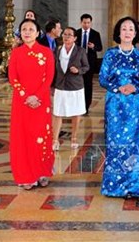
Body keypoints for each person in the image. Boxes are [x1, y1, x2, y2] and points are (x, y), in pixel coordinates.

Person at [99, 16, 139, 199]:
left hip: (135, 106)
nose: (127, 32)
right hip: (115, 104)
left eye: (131, 29)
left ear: (136, 34)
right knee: (115, 145)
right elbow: (102, 78)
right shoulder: (110, 54)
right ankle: (114, 186)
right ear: (118, 33)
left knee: (135, 145)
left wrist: (135, 87)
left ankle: (133, 186)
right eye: (124, 29)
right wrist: (118, 88)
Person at [7, 18, 55, 190]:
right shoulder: (16, 53)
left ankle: (42, 172)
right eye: (24, 29)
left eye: (31, 29)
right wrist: (26, 96)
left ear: (38, 33)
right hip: (21, 103)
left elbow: (49, 78)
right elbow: (12, 77)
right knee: (23, 138)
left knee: (41, 136)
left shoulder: (46, 52)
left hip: (41, 102)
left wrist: (37, 96)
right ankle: (26, 176)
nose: (27, 32)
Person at [52, 26, 89, 151]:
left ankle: (74, 138)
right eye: (65, 34)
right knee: (57, 113)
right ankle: (55, 140)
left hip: (75, 87)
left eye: (70, 35)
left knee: (76, 113)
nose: (67, 37)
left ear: (75, 38)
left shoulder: (80, 51)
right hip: (60, 86)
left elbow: (86, 67)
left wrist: (78, 70)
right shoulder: (57, 50)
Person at [76, 14, 103, 113]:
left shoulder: (95, 34)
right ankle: (77, 106)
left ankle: (86, 107)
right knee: (78, 85)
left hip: (90, 63)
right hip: (78, 63)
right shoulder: (76, 33)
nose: (86, 25)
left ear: (91, 23)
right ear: (81, 22)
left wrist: (93, 47)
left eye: (88, 23)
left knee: (88, 85)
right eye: (84, 22)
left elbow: (100, 48)